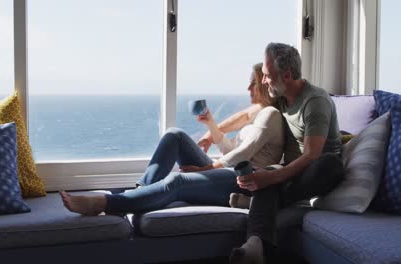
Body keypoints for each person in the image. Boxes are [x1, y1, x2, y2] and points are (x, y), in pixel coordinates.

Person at [60, 63, 285, 217]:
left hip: (244, 183)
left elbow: (242, 155)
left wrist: (205, 168)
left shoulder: (271, 115)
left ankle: (104, 203)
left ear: (266, 84)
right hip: (230, 170)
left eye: (253, 82)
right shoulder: (257, 114)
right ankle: (140, 193)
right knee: (174, 135)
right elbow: (231, 149)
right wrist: (211, 125)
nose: (248, 87)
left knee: (176, 181)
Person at [208, 43, 344, 264]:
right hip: (291, 174)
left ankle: (256, 203)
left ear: (287, 75)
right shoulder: (280, 96)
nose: (263, 82)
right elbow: (246, 115)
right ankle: (255, 245)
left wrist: (271, 176)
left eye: (267, 76)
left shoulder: (315, 102)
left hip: (317, 171)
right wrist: (212, 131)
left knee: (329, 164)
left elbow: (312, 155)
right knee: (267, 175)